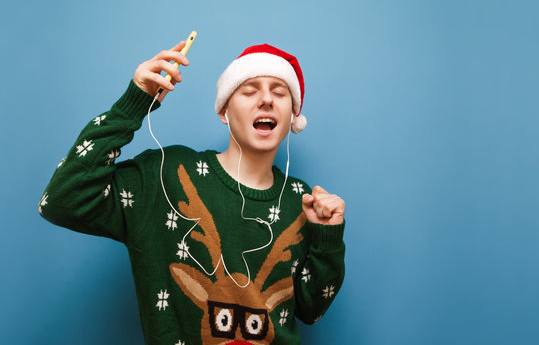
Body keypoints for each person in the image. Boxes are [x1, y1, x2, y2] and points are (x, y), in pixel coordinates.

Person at [39, 40, 346, 345]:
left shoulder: (300, 199)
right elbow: (60, 201)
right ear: (224, 111)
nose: (266, 99)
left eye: (280, 93)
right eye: (250, 90)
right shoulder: (168, 175)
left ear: (293, 115)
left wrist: (328, 239)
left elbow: (310, 310)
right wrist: (133, 103)